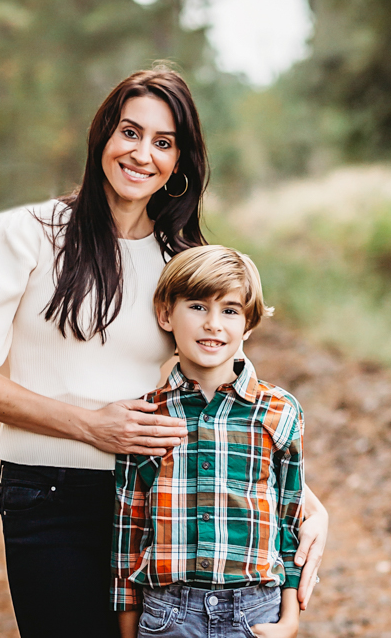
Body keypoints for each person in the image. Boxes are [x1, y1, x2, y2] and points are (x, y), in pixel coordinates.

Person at [0, 67, 327, 638]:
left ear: (180, 163)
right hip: (52, 494)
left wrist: (310, 502)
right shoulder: (27, 234)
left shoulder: (182, 259)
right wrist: (91, 426)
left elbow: (223, 392)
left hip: (164, 497)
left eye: (164, 143)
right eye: (130, 133)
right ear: (102, 140)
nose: (143, 154)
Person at [113, 245, 303, 638]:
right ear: (167, 314)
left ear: (248, 325)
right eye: (198, 306)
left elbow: (289, 519)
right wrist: (127, 630)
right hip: (168, 614)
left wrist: (290, 620)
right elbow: (127, 528)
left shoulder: (278, 411)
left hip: (256, 612)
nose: (213, 324)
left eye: (230, 311)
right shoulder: (146, 415)